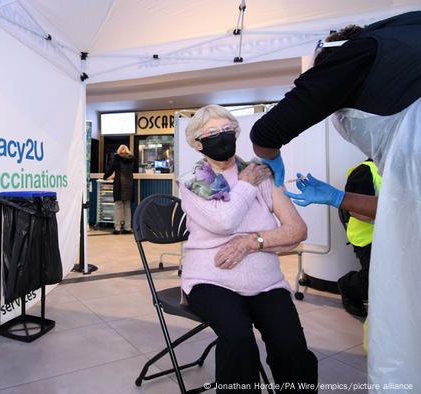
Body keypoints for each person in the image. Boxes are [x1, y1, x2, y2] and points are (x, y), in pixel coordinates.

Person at [248, 11, 421, 389]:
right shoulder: (404, 34)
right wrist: (336, 197)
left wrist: (254, 236)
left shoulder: (353, 54)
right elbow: (402, 212)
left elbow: (268, 132)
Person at [180, 105, 317, 393]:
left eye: (227, 130)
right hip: (211, 280)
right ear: (197, 144)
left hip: (266, 282)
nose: (222, 137)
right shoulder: (194, 182)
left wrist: (253, 241)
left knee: (290, 345)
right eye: (212, 133)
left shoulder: (262, 174)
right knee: (239, 339)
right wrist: (244, 185)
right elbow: (224, 222)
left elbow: (296, 230)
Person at [338, 159, 380, 317]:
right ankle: (347, 287)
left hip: (393, 234)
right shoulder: (364, 171)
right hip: (367, 237)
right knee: (373, 276)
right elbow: (353, 209)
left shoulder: (399, 167)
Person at [103, 145, 135, 234]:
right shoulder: (132, 159)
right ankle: (127, 228)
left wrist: (105, 177)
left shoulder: (117, 159)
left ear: (119, 151)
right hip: (129, 184)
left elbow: (110, 169)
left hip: (120, 184)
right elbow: (133, 170)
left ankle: (117, 228)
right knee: (127, 207)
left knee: (118, 207)